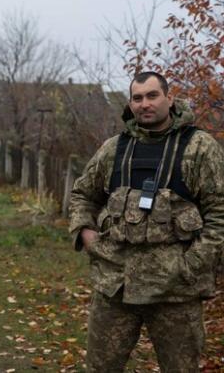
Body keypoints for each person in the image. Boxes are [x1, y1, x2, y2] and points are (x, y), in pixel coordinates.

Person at [69, 71, 224, 372]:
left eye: (152, 95)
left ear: (169, 98)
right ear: (130, 103)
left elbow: (220, 213)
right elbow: (82, 195)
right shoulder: (114, 148)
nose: (145, 104)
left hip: (176, 292)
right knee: (100, 367)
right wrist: (86, 234)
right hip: (116, 287)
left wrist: (191, 265)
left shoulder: (199, 148)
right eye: (137, 98)